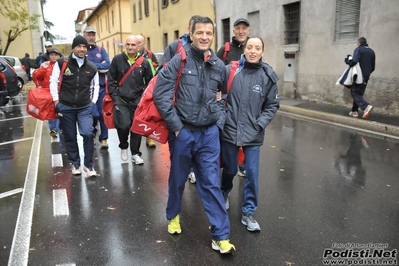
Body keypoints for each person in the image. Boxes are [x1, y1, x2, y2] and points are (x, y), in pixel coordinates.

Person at [153, 16, 235, 254]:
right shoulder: (179, 61)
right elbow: (161, 96)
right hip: (183, 132)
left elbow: (223, 97)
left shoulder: (219, 65)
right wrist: (177, 128)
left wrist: (217, 123)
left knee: (211, 184)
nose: (205, 37)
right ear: (191, 34)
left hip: (209, 133)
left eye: (209, 33)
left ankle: (220, 235)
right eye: (200, 32)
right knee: (178, 180)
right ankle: (173, 216)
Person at [220, 37, 279, 232]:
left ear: (263, 52)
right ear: (244, 50)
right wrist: (223, 118)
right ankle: (225, 191)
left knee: (251, 174)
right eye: (250, 47)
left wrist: (260, 124)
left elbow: (272, 105)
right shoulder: (230, 71)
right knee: (229, 169)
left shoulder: (268, 76)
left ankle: (248, 213)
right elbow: (218, 96)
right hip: (230, 129)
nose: (253, 51)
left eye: (257, 48)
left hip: (253, 133)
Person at [49, 35, 99, 177]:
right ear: (73, 47)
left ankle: (89, 166)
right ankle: (75, 163)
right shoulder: (62, 63)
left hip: (84, 106)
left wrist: (93, 102)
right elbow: (53, 81)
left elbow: (96, 85)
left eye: (84, 47)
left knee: (87, 133)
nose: (82, 49)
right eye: (79, 46)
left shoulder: (91, 67)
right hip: (65, 106)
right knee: (70, 136)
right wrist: (56, 101)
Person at [159, 14, 200, 184]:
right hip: (175, 109)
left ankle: (191, 171)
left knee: (194, 149)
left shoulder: (206, 52)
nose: (200, 35)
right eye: (195, 30)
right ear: (190, 31)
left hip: (197, 113)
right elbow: (162, 73)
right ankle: (176, 188)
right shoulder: (175, 46)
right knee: (177, 151)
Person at [107, 35, 153, 164]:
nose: (130, 47)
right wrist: (114, 95)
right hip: (121, 99)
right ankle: (123, 146)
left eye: (133, 45)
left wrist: (145, 98)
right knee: (123, 125)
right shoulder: (117, 59)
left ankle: (135, 153)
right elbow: (110, 78)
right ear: (125, 46)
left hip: (138, 100)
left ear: (138, 46)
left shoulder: (144, 62)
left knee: (136, 127)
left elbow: (150, 81)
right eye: (128, 44)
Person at [217, 18, 251, 178]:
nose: (241, 31)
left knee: (247, 135)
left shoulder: (253, 48)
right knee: (228, 138)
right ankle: (227, 166)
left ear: (248, 30)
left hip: (248, 103)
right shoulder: (226, 49)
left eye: (244, 28)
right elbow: (215, 70)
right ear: (233, 31)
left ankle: (243, 165)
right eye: (238, 28)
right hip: (228, 103)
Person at [83, 26, 111, 149]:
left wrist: (90, 66)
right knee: (91, 114)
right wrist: (99, 66)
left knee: (102, 114)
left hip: (101, 89)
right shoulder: (81, 51)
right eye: (89, 34)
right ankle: (93, 134)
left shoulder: (101, 50)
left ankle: (104, 138)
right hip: (86, 89)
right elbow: (81, 68)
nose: (91, 37)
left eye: (93, 34)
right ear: (84, 35)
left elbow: (107, 66)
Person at [31, 48, 63, 140]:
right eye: (52, 54)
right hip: (48, 93)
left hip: (61, 93)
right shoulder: (46, 65)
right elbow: (37, 76)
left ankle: (61, 127)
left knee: (61, 111)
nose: (54, 56)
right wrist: (43, 69)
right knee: (51, 112)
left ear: (59, 56)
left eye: (56, 55)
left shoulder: (63, 65)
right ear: (49, 56)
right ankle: (53, 130)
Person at [345, 37, 376, 119]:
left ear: (359, 43)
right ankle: (354, 111)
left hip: (359, 75)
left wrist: (348, 61)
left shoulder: (358, 49)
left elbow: (354, 61)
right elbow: (373, 67)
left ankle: (366, 107)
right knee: (359, 93)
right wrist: (367, 73)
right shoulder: (371, 51)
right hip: (366, 75)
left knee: (354, 92)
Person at [136, 34, 158, 148]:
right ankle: (137, 137)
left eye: (140, 42)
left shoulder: (150, 55)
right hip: (136, 90)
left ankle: (150, 138)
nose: (138, 45)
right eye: (136, 42)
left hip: (148, 88)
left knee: (149, 114)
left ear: (143, 43)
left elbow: (157, 68)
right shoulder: (132, 55)